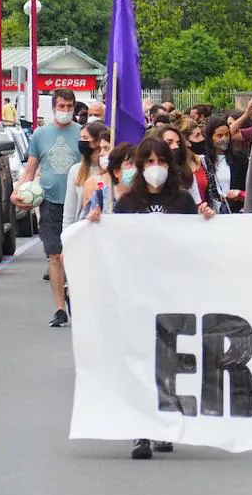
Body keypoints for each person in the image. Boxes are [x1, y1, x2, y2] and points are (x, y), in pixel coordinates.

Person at [86, 136, 214, 460]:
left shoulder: (183, 201)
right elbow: (113, 246)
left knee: (167, 360)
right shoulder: (127, 203)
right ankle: (139, 430)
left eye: (160, 162)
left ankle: (164, 423)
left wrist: (206, 219)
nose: (155, 168)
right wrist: (98, 223)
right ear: (139, 167)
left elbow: (195, 244)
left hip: (171, 292)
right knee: (140, 358)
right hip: (137, 291)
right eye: (148, 162)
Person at [12, 87, 82, 327]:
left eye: (69, 107)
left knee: (72, 257)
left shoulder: (82, 134)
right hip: (51, 203)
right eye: (61, 107)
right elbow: (30, 170)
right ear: (53, 108)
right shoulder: (40, 135)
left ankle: (76, 296)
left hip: (78, 204)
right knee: (54, 255)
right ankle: (60, 309)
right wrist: (17, 190)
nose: (65, 111)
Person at [62, 121, 111, 230]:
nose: (81, 142)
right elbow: (70, 209)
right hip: (83, 230)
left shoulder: (109, 169)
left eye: (85, 138)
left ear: (97, 141)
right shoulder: (76, 170)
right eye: (80, 138)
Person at [204, 116, 245, 214]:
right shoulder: (203, 160)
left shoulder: (240, 158)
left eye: (227, 134)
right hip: (211, 212)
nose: (224, 138)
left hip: (235, 210)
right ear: (210, 137)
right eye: (219, 135)